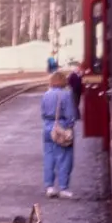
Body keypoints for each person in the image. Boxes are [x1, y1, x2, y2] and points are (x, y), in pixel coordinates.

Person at [42, 70, 78, 199]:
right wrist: (70, 127)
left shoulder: (46, 94)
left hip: (47, 127)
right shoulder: (66, 94)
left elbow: (43, 112)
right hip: (61, 127)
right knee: (64, 158)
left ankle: (49, 187)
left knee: (49, 157)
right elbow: (70, 115)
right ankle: (63, 188)